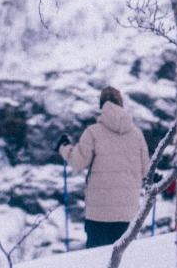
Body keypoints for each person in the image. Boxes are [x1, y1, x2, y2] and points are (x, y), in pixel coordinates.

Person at [62, 86, 150, 248]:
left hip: (98, 215)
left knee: (96, 265)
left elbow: (78, 162)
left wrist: (65, 148)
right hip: (127, 214)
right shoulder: (137, 135)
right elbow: (147, 171)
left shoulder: (93, 132)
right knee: (124, 263)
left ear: (101, 105)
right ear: (121, 104)